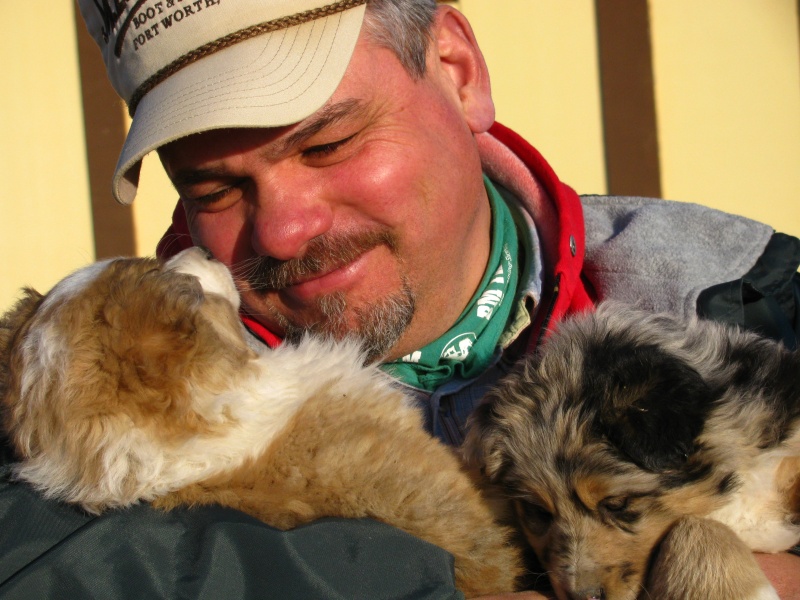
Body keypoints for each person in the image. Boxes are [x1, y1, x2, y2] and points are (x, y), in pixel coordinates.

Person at [1, 0, 798, 598]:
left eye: (327, 143)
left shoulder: (756, 297)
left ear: (457, 70)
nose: (283, 229)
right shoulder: (76, 405)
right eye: (213, 187)